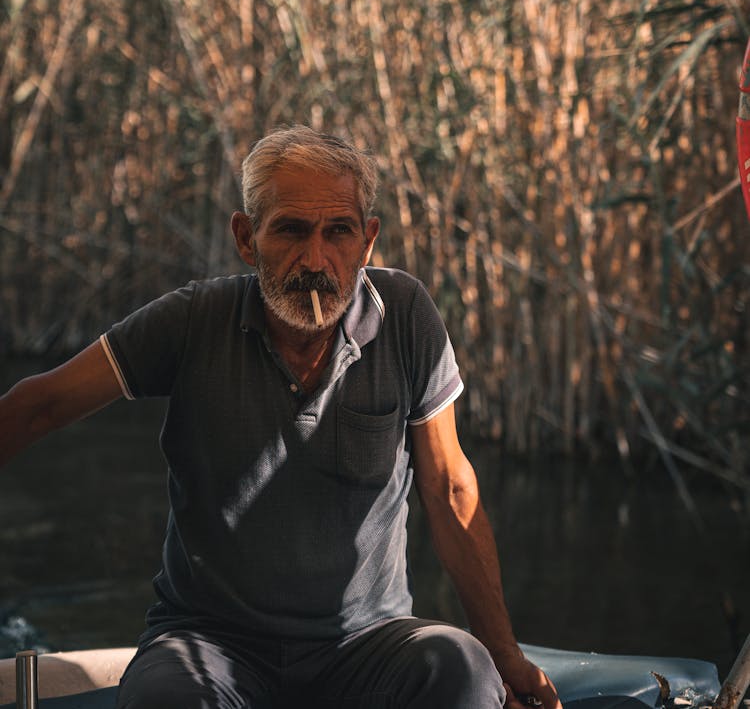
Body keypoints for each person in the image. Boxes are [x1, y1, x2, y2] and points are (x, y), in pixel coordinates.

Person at [1, 126, 561, 709]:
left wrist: (504, 656)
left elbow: (448, 488)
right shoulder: (196, 321)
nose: (315, 259)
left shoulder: (405, 317)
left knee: (462, 667)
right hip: (211, 642)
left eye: (337, 232)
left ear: (367, 242)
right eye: (291, 230)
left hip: (367, 644)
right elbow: (36, 407)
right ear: (247, 238)